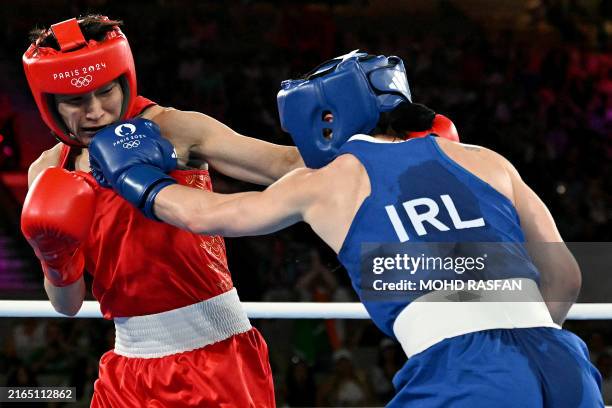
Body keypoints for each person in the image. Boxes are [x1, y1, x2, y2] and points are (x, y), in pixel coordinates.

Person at [89, 50, 603, 406]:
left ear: (329, 117)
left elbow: (206, 216)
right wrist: (515, 334)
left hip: (464, 372)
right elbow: (567, 278)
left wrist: (135, 176)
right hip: (565, 363)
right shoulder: (486, 160)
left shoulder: (332, 179)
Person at [20, 15, 304, 407]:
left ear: (123, 81)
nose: (96, 112)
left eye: (106, 93)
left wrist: (374, 149)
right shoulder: (49, 172)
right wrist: (53, 255)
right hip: (126, 368)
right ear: (50, 103)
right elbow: (66, 305)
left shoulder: (174, 128)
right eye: (76, 101)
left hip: (215, 357)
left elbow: (283, 165)